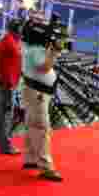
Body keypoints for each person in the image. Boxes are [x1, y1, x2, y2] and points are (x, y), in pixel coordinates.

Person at [21, 27, 64, 182]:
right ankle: (46, 167)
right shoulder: (35, 50)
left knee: (32, 125)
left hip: (34, 91)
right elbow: (45, 68)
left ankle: (30, 158)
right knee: (41, 127)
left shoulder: (31, 48)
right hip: (37, 93)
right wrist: (54, 52)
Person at [0, 20, 23, 155]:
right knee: (7, 115)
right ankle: (6, 146)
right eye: (20, 30)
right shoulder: (9, 41)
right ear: (16, 30)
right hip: (7, 83)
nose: (22, 33)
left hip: (8, 81)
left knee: (0, 111)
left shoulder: (11, 41)